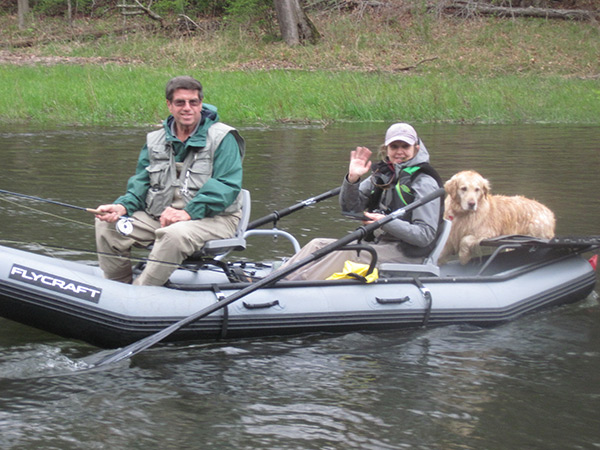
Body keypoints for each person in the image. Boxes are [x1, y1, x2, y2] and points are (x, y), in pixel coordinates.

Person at [94, 76, 244, 286]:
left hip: (215, 219)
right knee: (107, 225)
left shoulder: (223, 138)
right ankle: (116, 288)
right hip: (160, 217)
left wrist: (188, 212)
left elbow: (226, 185)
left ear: (200, 104)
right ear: (169, 105)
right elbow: (141, 183)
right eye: (180, 102)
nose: (187, 108)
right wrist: (122, 206)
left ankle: (140, 294)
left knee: (173, 235)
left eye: (193, 102)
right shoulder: (155, 140)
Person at [280, 122, 443, 281]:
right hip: (381, 244)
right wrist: (353, 179)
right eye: (394, 147)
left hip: (406, 254)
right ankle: (277, 278)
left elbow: (425, 235)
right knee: (317, 244)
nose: (399, 152)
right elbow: (350, 207)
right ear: (387, 149)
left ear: (416, 148)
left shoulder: (424, 182)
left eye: (405, 147)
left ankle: (295, 284)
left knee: (348, 252)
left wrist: (385, 222)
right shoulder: (385, 175)